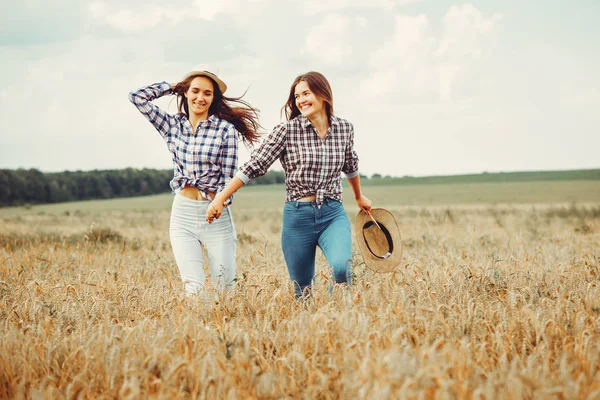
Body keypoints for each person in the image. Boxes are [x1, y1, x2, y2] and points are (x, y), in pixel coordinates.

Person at [206, 71, 372, 298]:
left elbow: (351, 163)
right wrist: (220, 198)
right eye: (297, 96)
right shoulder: (287, 131)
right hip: (297, 218)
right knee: (302, 291)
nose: (301, 100)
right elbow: (254, 165)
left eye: (306, 93)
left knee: (341, 269)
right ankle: (310, 330)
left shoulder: (344, 129)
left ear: (323, 94)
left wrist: (359, 196)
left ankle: (338, 321)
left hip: (333, 213)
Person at [129, 69, 260, 295]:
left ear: (213, 98)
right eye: (195, 91)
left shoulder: (225, 130)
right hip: (183, 214)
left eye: (207, 93)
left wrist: (218, 202)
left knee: (225, 288)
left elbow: (229, 177)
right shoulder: (172, 125)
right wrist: (173, 85)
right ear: (186, 93)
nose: (201, 98)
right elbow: (137, 97)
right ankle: (196, 330)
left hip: (215, 216)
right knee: (193, 288)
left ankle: (224, 328)